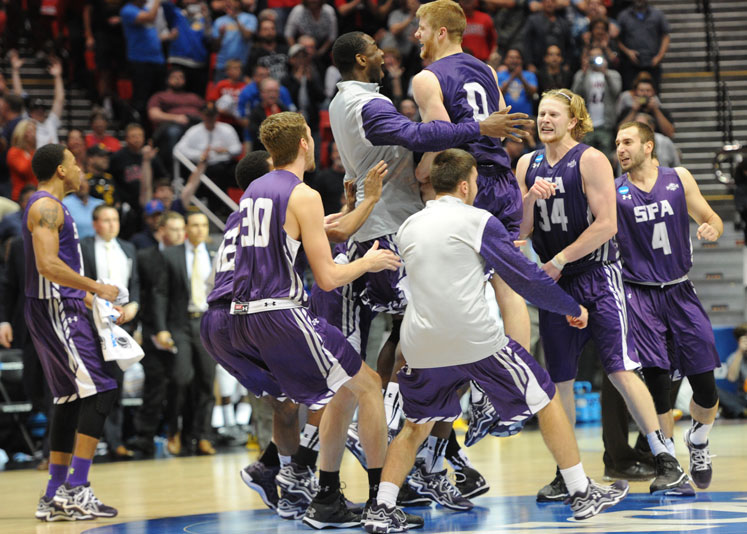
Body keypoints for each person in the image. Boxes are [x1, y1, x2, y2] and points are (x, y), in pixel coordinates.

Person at [362, 149, 629, 532]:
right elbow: (526, 278)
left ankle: (382, 507)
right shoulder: (478, 220)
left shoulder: (409, 227)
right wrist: (571, 306)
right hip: (472, 337)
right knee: (546, 398)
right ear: (465, 185)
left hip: (420, 342)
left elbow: (441, 267)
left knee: (415, 426)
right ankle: (580, 490)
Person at [330, 30, 532, 506]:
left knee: (417, 335)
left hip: (387, 226)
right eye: (375, 50)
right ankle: (408, 429)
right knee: (433, 331)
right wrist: (479, 128)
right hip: (387, 228)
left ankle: (430, 455)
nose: (386, 54)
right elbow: (417, 136)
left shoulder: (351, 100)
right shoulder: (364, 103)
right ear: (361, 59)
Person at [228, 112, 400, 528]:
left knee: (336, 393)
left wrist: (358, 205)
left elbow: (304, 234)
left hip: (245, 318)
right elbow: (328, 277)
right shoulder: (302, 193)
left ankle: (318, 491)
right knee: (369, 387)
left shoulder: (254, 191)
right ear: (305, 143)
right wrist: (370, 262)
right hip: (280, 313)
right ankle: (379, 502)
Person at [516, 88, 689, 500]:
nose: (544, 120)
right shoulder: (526, 163)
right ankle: (568, 473)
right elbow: (520, 230)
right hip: (555, 285)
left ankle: (667, 460)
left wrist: (559, 260)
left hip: (597, 277)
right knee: (560, 381)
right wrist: (529, 199)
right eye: (541, 114)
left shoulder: (590, 159)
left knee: (620, 369)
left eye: (553, 114)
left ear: (573, 121)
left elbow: (607, 224)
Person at [411, 1, 535, 440]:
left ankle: (475, 394)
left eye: (421, 27)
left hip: (468, 185)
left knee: (455, 297)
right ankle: (514, 392)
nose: (416, 35)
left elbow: (443, 140)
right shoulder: (487, 70)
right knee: (509, 291)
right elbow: (499, 125)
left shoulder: (427, 78)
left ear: (441, 31)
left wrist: (421, 173)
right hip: (503, 181)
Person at [615, 121, 723, 490]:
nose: (620, 148)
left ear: (648, 146)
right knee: (657, 384)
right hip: (639, 294)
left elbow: (711, 217)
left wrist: (713, 228)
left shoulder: (679, 178)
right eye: (617, 143)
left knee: (706, 388)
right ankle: (669, 464)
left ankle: (698, 439)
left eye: (628, 142)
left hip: (680, 290)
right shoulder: (614, 191)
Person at [23, 144, 121, 521]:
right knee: (101, 389)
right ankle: (77, 488)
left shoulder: (51, 206)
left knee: (69, 399)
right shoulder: (45, 206)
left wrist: (90, 300)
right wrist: (97, 287)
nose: (80, 169)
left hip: (59, 306)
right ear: (61, 171)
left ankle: (54, 496)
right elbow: (48, 265)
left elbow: (58, 268)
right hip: (55, 309)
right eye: (74, 163)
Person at [154, 212, 218, 456]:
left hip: (208, 323)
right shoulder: (171, 254)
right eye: (195, 225)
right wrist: (161, 327)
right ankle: (174, 431)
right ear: (186, 229)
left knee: (206, 382)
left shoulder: (216, 254)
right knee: (180, 379)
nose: (200, 229)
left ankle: (202, 436)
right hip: (180, 322)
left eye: (204, 225)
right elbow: (161, 293)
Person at [80, 205, 140, 460]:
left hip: (119, 324)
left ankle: (115, 441)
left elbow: (135, 285)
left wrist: (131, 309)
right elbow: (77, 283)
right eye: (106, 220)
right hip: (89, 321)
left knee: (115, 383)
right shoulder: (84, 247)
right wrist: (100, 308)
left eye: (115, 219)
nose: (112, 224)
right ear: (95, 224)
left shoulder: (128, 248)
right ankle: (84, 444)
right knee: (87, 384)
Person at [616, 0, 670, 91]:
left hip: (652, 62)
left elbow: (666, 36)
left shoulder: (657, 14)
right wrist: (627, 51)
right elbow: (616, 37)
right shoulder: (623, 16)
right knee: (630, 93)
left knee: (653, 93)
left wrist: (659, 56)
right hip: (631, 63)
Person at [720, 324, 747, 418]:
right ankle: (742, 411)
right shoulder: (734, 357)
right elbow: (732, 378)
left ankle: (739, 412)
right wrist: (740, 352)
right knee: (715, 391)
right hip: (742, 400)